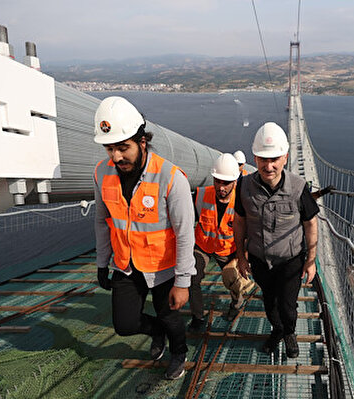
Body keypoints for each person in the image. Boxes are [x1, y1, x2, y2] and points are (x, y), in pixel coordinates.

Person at [92, 96, 195, 380]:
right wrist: (103, 263)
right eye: (110, 148)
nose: (116, 157)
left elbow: (186, 233)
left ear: (142, 141)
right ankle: (155, 331)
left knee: (171, 318)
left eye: (123, 148)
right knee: (124, 324)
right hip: (126, 264)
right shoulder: (102, 173)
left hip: (163, 267)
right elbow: (102, 221)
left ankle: (179, 352)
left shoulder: (171, 178)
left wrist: (183, 281)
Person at [234, 122, 319, 358]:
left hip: (290, 260)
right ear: (255, 157)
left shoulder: (299, 188)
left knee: (287, 307)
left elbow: (311, 223)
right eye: (262, 159)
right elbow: (239, 222)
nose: (268, 166)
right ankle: (278, 330)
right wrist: (241, 258)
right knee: (270, 304)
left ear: (285, 158)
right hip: (261, 260)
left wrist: (310, 261)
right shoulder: (243, 186)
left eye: (274, 159)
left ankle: (288, 331)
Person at [188, 153, 255, 331]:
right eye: (217, 181)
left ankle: (236, 304)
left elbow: (251, 234)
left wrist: (243, 258)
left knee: (234, 279)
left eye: (226, 183)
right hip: (203, 246)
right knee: (191, 277)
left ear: (235, 181)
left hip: (229, 250)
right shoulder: (201, 196)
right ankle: (197, 316)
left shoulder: (243, 202)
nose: (221, 187)